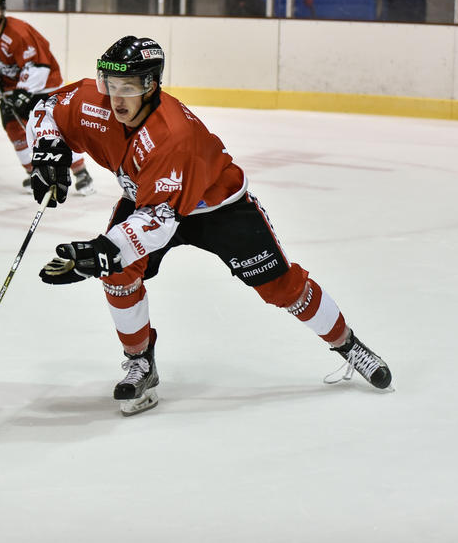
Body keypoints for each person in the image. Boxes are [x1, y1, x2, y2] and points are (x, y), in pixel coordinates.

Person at [26, 35, 392, 416]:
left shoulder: (173, 136)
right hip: (149, 199)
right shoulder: (96, 104)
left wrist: (104, 251)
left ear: (151, 86)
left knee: (281, 287)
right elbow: (47, 108)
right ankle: (140, 362)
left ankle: (348, 344)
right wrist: (48, 149)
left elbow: (159, 221)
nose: (116, 98)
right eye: (110, 84)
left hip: (217, 208)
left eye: (128, 88)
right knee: (118, 275)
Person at [0, 0, 94, 194]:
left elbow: (38, 66)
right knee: (12, 125)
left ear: (2, 10)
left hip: (44, 84)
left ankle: (80, 172)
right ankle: (32, 171)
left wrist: (24, 91)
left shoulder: (18, 32)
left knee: (51, 129)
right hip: (13, 86)